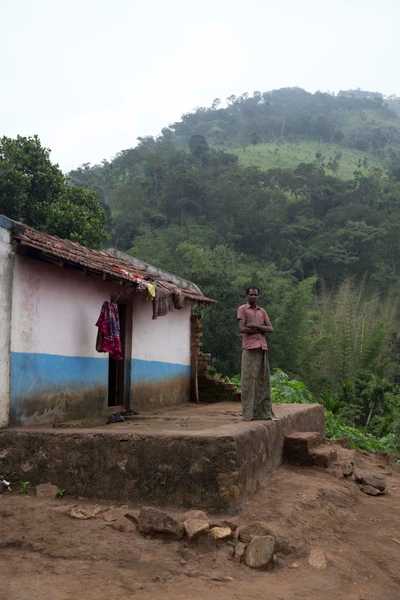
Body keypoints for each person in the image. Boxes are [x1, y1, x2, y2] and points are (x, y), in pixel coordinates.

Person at [237, 285, 278, 421]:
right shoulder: (242, 309)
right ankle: (248, 414)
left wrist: (255, 326)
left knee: (263, 381)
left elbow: (270, 329)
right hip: (249, 348)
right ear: (247, 295)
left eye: (255, 295)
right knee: (248, 380)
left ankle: (263, 413)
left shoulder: (262, 311)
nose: (253, 297)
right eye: (251, 294)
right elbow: (242, 329)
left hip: (262, 347)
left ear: (258, 296)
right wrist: (261, 330)